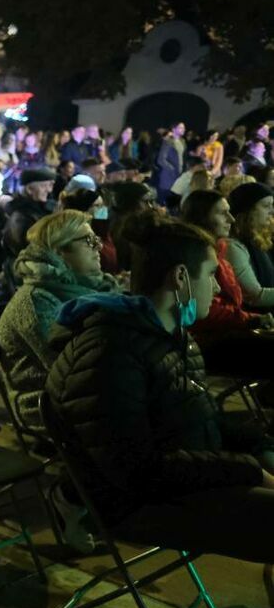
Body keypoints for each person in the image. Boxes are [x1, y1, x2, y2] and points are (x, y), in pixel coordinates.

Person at [45, 221, 274, 564]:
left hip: (186, 477)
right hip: (140, 502)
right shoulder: (109, 353)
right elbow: (136, 470)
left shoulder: (172, 335)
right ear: (180, 277)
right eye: (211, 274)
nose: (215, 288)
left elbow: (201, 416)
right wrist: (249, 470)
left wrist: (261, 446)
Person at [0, 211, 119, 431]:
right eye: (88, 241)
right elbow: (68, 368)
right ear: (59, 250)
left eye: (97, 239)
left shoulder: (90, 287)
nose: (98, 247)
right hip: (48, 406)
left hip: (88, 395)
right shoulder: (36, 301)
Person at [178, 189, 274, 375]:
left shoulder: (217, 248)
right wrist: (251, 319)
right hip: (206, 342)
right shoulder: (195, 254)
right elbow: (203, 311)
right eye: (222, 213)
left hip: (226, 332)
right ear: (202, 216)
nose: (231, 219)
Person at [222, 182, 274, 309]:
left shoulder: (260, 237)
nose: (272, 211)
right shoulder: (233, 247)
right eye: (266, 206)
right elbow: (255, 296)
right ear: (248, 211)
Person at [1, 168, 55, 274]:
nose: (49, 190)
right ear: (30, 189)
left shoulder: (43, 207)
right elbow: (30, 251)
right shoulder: (20, 217)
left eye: (49, 185)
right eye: (44, 186)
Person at [155, 122, 186, 203]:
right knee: (164, 198)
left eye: (183, 128)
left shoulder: (182, 141)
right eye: (180, 127)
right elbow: (161, 159)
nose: (183, 129)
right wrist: (172, 169)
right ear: (173, 129)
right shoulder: (168, 141)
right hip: (168, 175)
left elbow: (182, 157)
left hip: (178, 174)